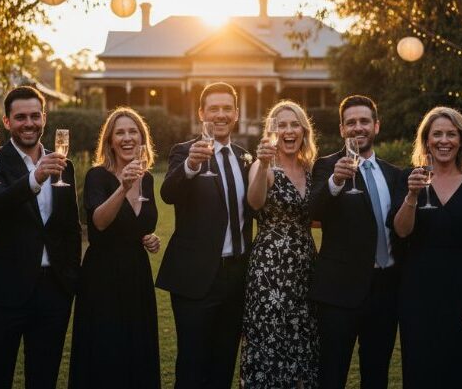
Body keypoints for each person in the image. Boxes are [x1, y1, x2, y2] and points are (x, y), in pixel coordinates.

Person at [0, 86, 81, 389]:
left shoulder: (65, 165)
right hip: (4, 291)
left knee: (44, 378)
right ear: (7, 122)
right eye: (20, 117)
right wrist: (35, 178)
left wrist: (70, 281)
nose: (29, 123)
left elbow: (71, 228)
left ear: (44, 118)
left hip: (53, 291)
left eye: (35, 116)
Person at [394, 107, 462, 389]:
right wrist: (412, 195)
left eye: (451, 134)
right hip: (417, 295)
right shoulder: (410, 178)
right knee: (420, 372)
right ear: (426, 140)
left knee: (461, 372)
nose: (444, 140)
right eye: (436, 134)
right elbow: (402, 231)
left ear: (461, 139)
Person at [156, 82, 252, 388]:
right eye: (214, 108)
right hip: (195, 278)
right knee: (192, 363)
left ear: (236, 113)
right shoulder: (183, 152)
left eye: (227, 108)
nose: (220, 115)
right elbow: (168, 193)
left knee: (224, 362)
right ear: (202, 113)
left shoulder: (245, 157)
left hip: (236, 277)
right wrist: (191, 165)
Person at [309, 95, 404, 389]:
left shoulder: (394, 174)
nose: (357, 128)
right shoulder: (326, 167)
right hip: (339, 292)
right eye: (351, 122)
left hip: (385, 292)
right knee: (332, 374)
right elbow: (311, 212)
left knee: (376, 374)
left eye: (364, 121)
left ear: (376, 126)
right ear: (341, 129)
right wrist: (335, 183)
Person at [69, 107, 161, 388]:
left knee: (137, 350)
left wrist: (150, 238)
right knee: (105, 352)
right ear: (109, 140)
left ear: (142, 139)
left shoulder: (146, 179)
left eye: (133, 131)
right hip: (102, 277)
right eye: (120, 132)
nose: (127, 137)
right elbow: (99, 222)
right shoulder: (98, 176)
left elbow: (141, 224)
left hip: (136, 275)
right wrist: (123, 187)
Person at [241, 100, 319, 388]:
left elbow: (316, 215)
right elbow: (255, 200)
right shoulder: (265, 166)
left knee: (303, 345)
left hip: (305, 270)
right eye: (281, 125)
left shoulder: (310, 169)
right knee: (270, 347)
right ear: (273, 133)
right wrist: (262, 165)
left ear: (303, 130)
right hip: (270, 272)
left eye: (294, 124)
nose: (288, 130)